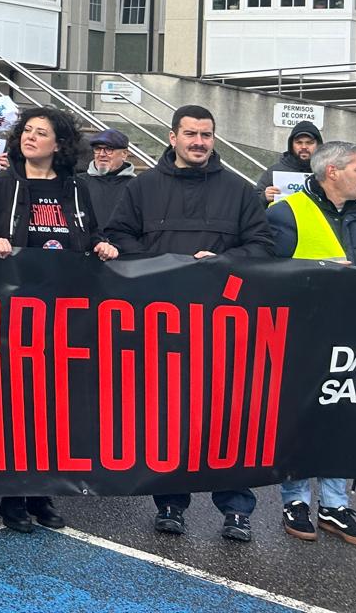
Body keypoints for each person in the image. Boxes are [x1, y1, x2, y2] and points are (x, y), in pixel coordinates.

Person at [102, 105, 272, 542]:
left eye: (207, 135)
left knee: (227, 418)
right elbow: (118, 237)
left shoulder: (239, 189)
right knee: (170, 416)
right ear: (173, 136)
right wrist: (167, 264)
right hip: (164, 324)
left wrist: (221, 263)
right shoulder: (142, 188)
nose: (199, 142)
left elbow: (262, 245)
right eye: (191, 133)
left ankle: (236, 508)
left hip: (223, 325)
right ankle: (171, 503)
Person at [0, 106, 115, 534]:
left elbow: (91, 235)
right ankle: (12, 495)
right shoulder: (1, 185)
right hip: (13, 316)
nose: (30, 138)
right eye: (26, 131)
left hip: (63, 317)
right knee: (15, 406)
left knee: (53, 408)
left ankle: (42, 493)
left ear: (59, 144)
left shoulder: (76, 189)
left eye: (40, 132)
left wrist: (102, 247)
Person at [265, 140, 356, 548]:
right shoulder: (286, 212)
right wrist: (320, 269)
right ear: (332, 172)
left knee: (343, 419)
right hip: (302, 335)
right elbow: (266, 272)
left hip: (354, 336)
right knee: (302, 418)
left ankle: (335, 506)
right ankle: (295, 502)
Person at [255, 120, 323, 204]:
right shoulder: (274, 172)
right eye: (299, 142)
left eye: (309, 143)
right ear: (291, 145)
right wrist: (264, 197)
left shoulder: (326, 172)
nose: (304, 147)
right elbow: (252, 203)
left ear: (318, 145)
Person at [84, 128, 136, 229]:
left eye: (109, 149)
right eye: (98, 149)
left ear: (124, 154)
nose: (102, 154)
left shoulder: (137, 185)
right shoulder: (79, 182)